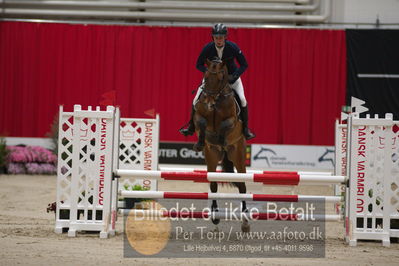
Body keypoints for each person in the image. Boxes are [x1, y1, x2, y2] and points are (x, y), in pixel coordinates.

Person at [179, 23, 255, 140]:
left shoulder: (233, 47)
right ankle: (191, 126)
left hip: (231, 78)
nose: (219, 40)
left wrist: (234, 76)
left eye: (221, 37)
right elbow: (198, 64)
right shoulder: (208, 48)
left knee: (243, 100)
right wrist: (209, 73)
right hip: (212, 80)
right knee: (195, 99)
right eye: (216, 37)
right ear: (213, 37)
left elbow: (244, 65)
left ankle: (245, 129)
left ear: (225, 37)